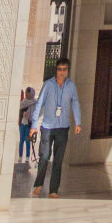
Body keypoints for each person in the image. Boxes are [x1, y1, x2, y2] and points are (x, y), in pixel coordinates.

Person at [30, 59, 82, 198]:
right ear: (56, 70)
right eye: (60, 69)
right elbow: (39, 103)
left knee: (58, 160)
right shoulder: (48, 85)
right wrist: (34, 125)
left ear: (67, 70)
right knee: (44, 157)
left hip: (63, 127)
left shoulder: (71, 86)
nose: (62, 72)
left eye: (64, 69)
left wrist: (78, 122)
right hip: (47, 126)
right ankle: (38, 184)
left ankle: (53, 190)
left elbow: (75, 103)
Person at [17, 87, 35, 164]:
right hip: (22, 124)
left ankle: (27, 157)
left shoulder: (34, 103)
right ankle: (20, 156)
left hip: (29, 124)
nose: (27, 95)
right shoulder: (23, 102)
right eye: (26, 93)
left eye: (28, 93)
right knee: (21, 141)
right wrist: (22, 115)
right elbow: (19, 111)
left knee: (27, 141)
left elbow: (36, 114)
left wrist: (29, 115)